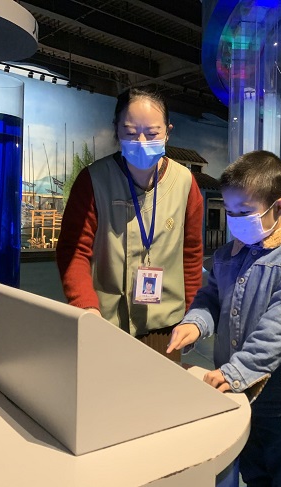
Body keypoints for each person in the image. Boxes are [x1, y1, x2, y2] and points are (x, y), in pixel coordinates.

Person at [167, 150, 281, 487]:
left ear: (279, 208)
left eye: (244, 212)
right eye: (229, 212)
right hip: (238, 395)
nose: (235, 220)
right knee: (253, 474)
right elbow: (211, 298)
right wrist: (195, 322)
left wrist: (235, 371)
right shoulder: (227, 254)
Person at [56, 87, 203, 361]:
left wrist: (192, 314)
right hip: (105, 322)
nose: (142, 141)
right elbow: (74, 251)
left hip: (166, 325)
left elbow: (192, 254)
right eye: (131, 133)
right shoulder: (93, 180)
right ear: (116, 130)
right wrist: (85, 306)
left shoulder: (185, 182)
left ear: (168, 132)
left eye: (153, 133)